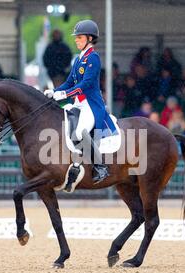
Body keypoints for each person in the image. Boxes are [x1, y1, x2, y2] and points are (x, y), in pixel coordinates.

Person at [44, 20, 113, 184]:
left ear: (89, 38)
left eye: (79, 37)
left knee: (80, 132)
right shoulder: (78, 59)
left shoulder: (93, 58)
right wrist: (54, 91)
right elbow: (69, 82)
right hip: (78, 103)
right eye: (76, 37)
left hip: (91, 104)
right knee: (64, 126)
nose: (76, 40)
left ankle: (100, 167)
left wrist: (64, 94)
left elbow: (85, 85)